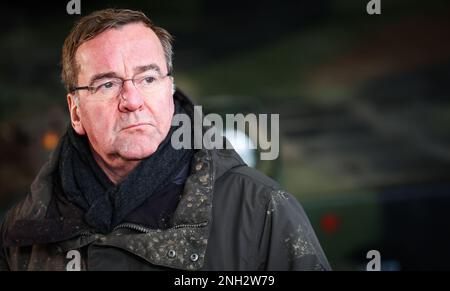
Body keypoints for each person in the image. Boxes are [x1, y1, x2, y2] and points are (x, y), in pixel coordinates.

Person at [0, 8, 330, 271]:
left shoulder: (261, 211)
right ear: (75, 112)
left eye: (148, 77)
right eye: (107, 84)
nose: (132, 100)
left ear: (170, 91)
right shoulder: (26, 230)